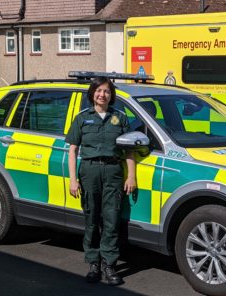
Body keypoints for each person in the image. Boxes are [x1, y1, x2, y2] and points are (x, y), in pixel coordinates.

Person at [66, 76, 137, 285]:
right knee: (91, 218)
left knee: (111, 219)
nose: (102, 95)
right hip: (89, 171)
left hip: (113, 171)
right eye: (98, 91)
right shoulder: (82, 118)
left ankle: (109, 265)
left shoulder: (121, 118)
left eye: (106, 91)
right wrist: (72, 180)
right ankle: (93, 264)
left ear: (111, 95)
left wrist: (131, 175)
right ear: (92, 93)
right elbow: (72, 150)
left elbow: (129, 149)